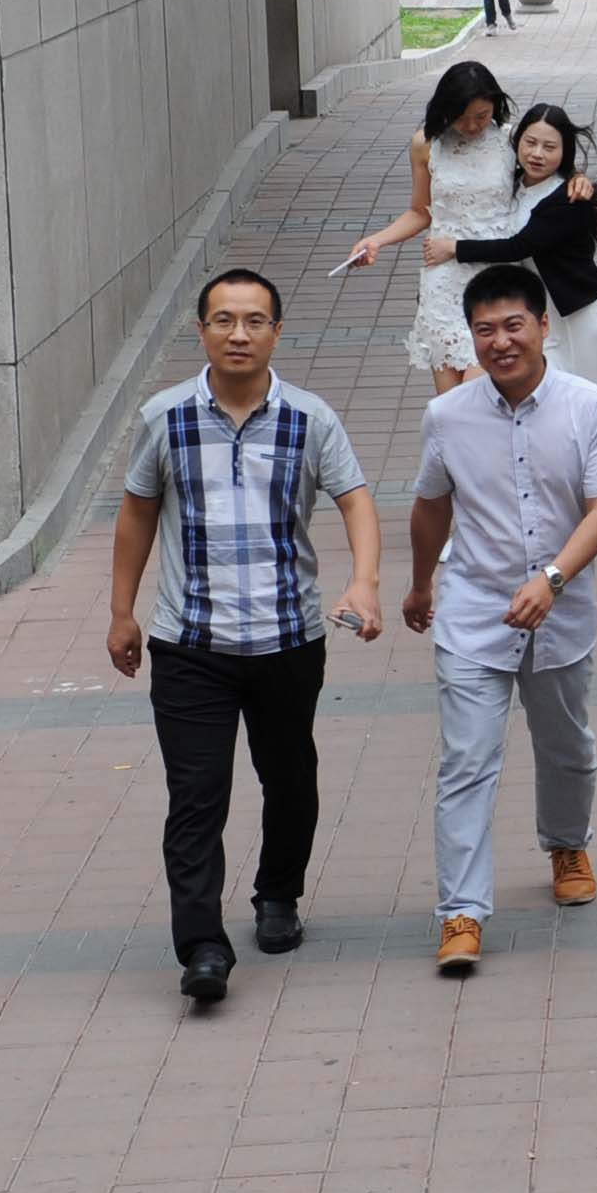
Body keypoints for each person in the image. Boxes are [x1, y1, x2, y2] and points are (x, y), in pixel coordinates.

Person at [105, 271, 384, 1009]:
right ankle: (202, 947)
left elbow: (356, 499)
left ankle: (278, 894)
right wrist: (122, 612)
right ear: (202, 330)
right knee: (196, 796)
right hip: (190, 643)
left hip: (288, 639)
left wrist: (364, 581)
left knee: (289, 779)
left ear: (276, 332)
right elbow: (137, 512)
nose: (239, 334)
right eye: (224, 320)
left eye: (255, 320)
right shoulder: (164, 417)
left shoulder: (310, 418)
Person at [403, 264, 597, 976]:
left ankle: (567, 843)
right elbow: (431, 505)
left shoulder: (590, 406)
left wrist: (554, 579)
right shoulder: (447, 416)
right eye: (485, 330)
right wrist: (420, 584)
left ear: (541, 326)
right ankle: (462, 911)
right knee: (467, 761)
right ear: (470, 338)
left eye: (513, 326)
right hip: (473, 612)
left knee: (566, 746)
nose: (500, 342)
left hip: (562, 612)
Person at [345, 61, 521, 395]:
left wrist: (577, 180)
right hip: (444, 281)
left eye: (481, 116)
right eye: (461, 117)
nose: (471, 126)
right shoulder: (425, 144)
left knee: (477, 394)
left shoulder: (511, 140)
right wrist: (377, 240)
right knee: (450, 403)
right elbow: (420, 212)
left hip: (497, 276)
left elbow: (551, 171)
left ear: (495, 106)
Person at [444, 102, 597, 390]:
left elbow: (518, 247)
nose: (537, 154)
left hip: (578, 314)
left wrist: (455, 248)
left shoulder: (567, 198)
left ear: (564, 152)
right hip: (534, 311)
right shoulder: (510, 183)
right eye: (530, 143)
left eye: (550, 147)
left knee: (591, 394)